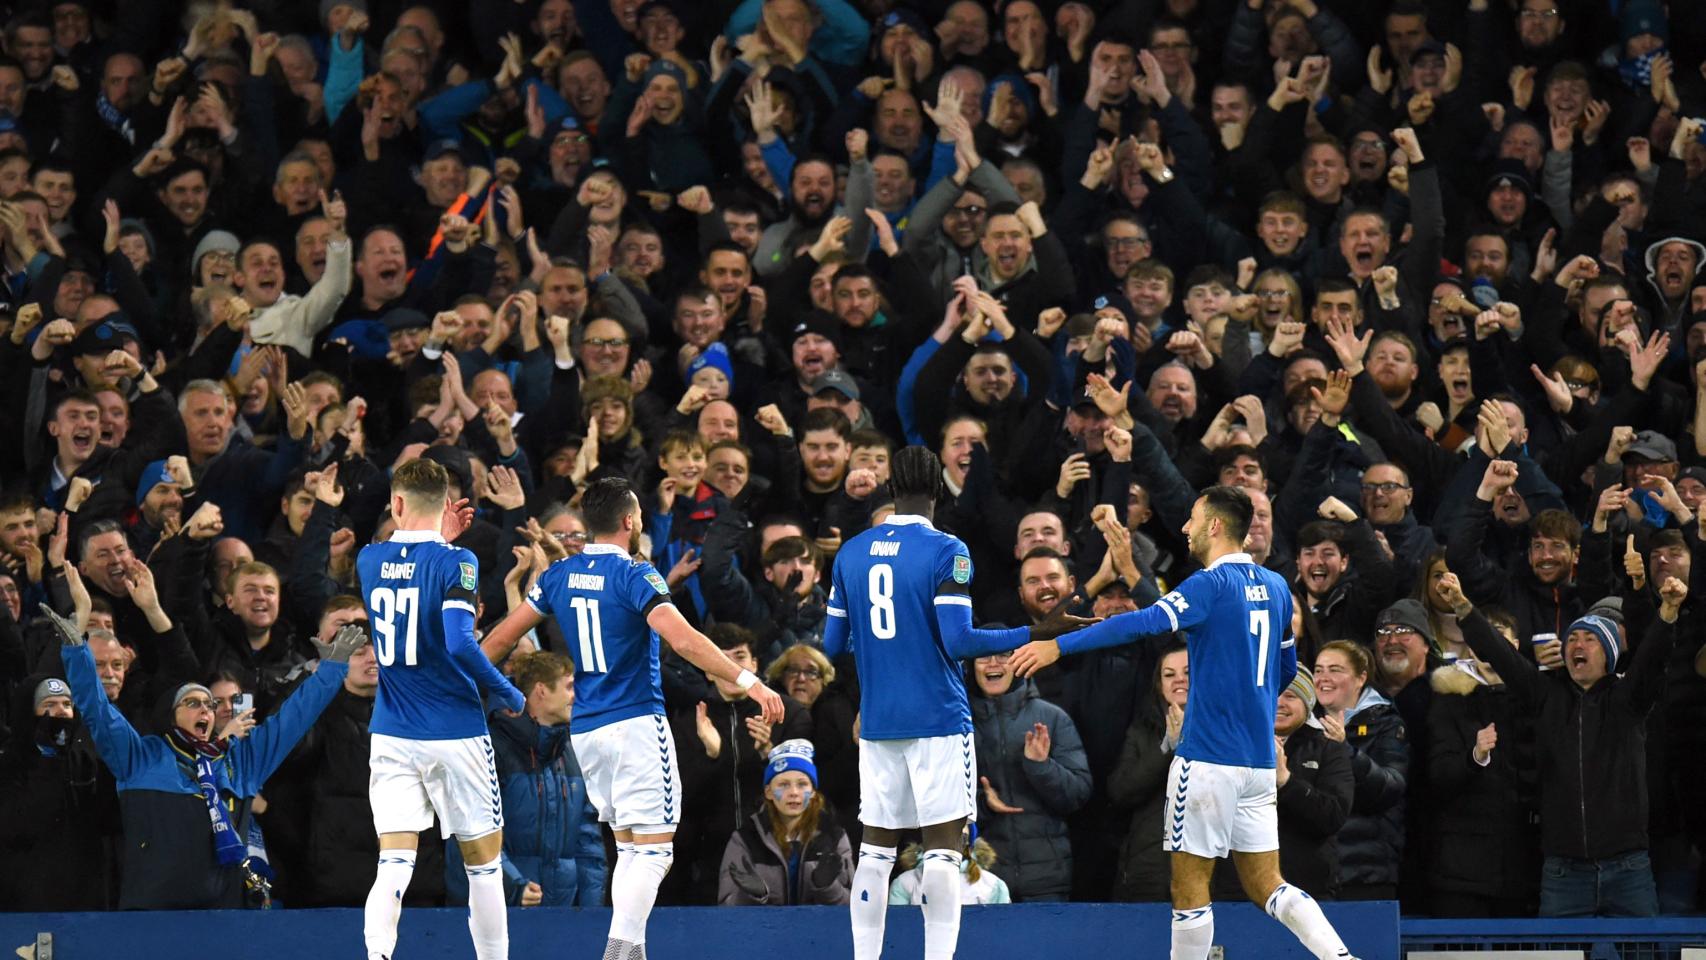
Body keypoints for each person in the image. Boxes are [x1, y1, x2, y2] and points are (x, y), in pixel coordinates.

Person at [1012, 485, 1360, 960]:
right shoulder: (1278, 587)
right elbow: (1283, 672)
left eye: (1192, 518)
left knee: (1189, 887)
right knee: (1268, 884)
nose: (1184, 528)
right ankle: (1340, 957)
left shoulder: (1209, 585)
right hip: (1258, 764)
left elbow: (1144, 622)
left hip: (1207, 760)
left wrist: (1059, 645)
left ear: (1215, 525)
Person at [481, 476, 784, 960]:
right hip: (637, 725)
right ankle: (619, 950)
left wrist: (474, 684)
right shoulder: (636, 575)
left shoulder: (558, 575)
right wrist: (751, 681)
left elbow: (498, 641)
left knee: (630, 851)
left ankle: (633, 949)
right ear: (630, 521)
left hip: (586, 731)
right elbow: (683, 640)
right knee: (655, 852)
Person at [824, 445, 1088, 960]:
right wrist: (1036, 630)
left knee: (875, 853)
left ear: (891, 491)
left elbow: (834, 645)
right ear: (939, 491)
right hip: (938, 719)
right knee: (943, 851)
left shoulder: (850, 552)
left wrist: (885, 649)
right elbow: (961, 641)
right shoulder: (949, 549)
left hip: (879, 721)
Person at [354, 458, 527, 960]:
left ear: (397, 504)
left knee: (393, 863)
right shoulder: (460, 562)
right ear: (448, 505)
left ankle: (377, 956)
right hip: (455, 730)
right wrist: (504, 690)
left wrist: (440, 538)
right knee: (483, 864)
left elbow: (406, 562)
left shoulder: (368, 559)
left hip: (392, 730)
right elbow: (459, 641)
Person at [718, 738, 852, 905]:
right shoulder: (744, 840)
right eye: (783, 784)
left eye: (802, 784)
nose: (793, 792)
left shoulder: (835, 838)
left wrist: (828, 887)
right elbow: (726, 910)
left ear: (812, 792)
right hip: (765, 931)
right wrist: (752, 896)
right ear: (768, 792)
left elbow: (853, 911)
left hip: (818, 930)